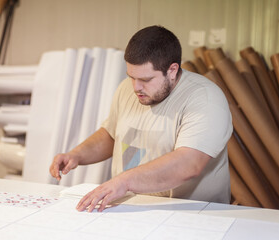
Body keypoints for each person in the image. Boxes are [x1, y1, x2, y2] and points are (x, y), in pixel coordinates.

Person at [49, 25, 233, 212]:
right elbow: (111, 135)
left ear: (172, 70)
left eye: (146, 80)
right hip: (134, 209)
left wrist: (125, 181)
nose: (136, 87)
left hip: (193, 214)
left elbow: (189, 163)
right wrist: (77, 155)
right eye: (131, 77)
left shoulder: (205, 98)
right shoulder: (127, 89)